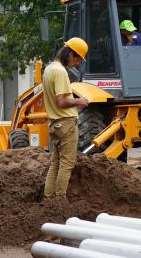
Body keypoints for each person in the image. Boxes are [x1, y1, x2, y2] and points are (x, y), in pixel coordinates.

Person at [43, 37, 90, 199]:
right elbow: (61, 101)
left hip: (55, 124)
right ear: (70, 53)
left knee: (55, 163)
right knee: (67, 164)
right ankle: (60, 200)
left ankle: (49, 199)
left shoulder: (49, 69)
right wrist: (80, 101)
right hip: (66, 124)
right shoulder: (61, 72)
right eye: (77, 58)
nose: (77, 62)